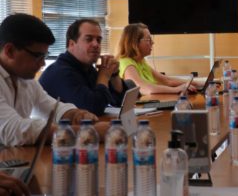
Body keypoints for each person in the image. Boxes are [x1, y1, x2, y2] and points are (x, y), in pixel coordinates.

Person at [0, 14, 108, 147]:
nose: (43, 63)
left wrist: (75, 114)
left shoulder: (25, 78)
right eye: (38, 56)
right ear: (10, 51)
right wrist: (89, 132)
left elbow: (51, 107)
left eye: (45, 56)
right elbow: (14, 130)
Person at [40, 19, 128, 116]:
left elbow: (119, 102)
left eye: (98, 40)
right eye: (89, 39)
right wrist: (104, 76)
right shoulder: (60, 72)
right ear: (71, 44)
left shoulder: (87, 68)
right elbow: (94, 108)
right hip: (59, 130)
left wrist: (114, 74)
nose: (96, 44)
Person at [116, 23, 197, 94]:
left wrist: (198, 84)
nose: (152, 42)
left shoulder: (140, 62)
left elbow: (167, 81)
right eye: (148, 39)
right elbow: (143, 88)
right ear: (135, 43)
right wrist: (176, 90)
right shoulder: (125, 62)